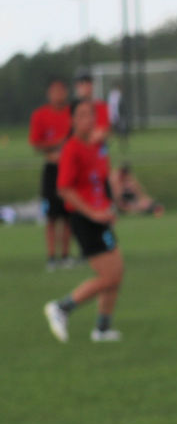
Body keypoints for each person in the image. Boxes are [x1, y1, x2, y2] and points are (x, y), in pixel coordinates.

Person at [42, 98, 126, 344]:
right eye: (81, 115)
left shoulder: (96, 146)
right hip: (85, 220)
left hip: (100, 218)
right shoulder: (71, 148)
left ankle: (102, 329)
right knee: (109, 277)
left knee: (116, 272)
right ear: (72, 120)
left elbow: (100, 179)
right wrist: (93, 213)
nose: (88, 119)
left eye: (90, 114)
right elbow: (64, 189)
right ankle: (61, 307)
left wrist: (109, 206)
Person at [29, 77, 72, 269]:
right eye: (55, 90)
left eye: (61, 90)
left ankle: (66, 255)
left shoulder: (72, 113)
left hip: (69, 169)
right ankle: (52, 257)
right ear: (49, 93)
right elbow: (36, 143)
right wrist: (56, 144)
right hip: (52, 170)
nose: (58, 94)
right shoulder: (40, 115)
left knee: (68, 215)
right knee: (51, 216)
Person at [73, 70, 111, 144]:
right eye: (82, 83)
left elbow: (102, 132)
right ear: (76, 86)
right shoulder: (70, 108)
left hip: (96, 148)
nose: (85, 86)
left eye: (88, 83)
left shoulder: (101, 106)